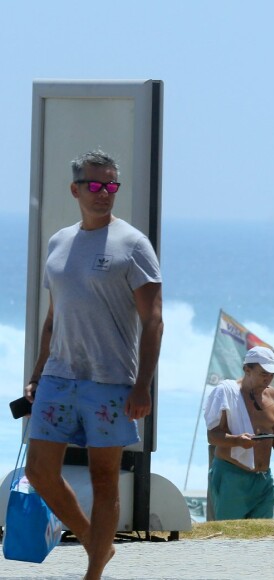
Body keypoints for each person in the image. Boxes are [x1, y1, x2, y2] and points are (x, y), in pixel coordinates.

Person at [23, 150, 163, 580]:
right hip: (59, 377)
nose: (104, 194)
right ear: (76, 189)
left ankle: (93, 574)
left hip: (110, 381)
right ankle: (94, 543)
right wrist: (36, 372)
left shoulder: (133, 243)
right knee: (39, 472)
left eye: (111, 186)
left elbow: (154, 319)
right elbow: (53, 316)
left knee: (105, 479)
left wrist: (143, 387)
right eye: (95, 185)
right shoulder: (60, 241)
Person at [204, 346, 274, 520]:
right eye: (264, 373)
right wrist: (237, 441)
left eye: (272, 374)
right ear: (247, 370)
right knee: (230, 537)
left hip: (263, 478)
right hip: (231, 475)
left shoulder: (272, 395)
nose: (269, 379)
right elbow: (212, 436)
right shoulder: (225, 392)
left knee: (261, 537)